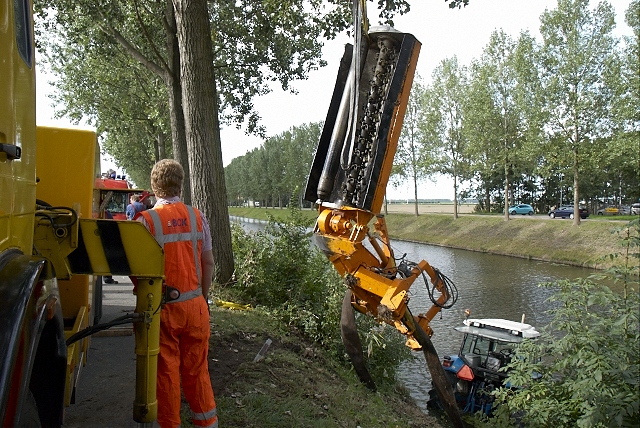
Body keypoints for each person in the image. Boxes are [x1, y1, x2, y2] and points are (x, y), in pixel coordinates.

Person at [137, 159, 217, 428]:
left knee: (166, 372)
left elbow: (137, 273)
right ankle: (206, 423)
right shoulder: (198, 217)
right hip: (195, 306)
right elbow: (208, 264)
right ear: (181, 185)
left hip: (163, 310)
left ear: (154, 186)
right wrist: (201, 298)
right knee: (198, 371)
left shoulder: (145, 222)